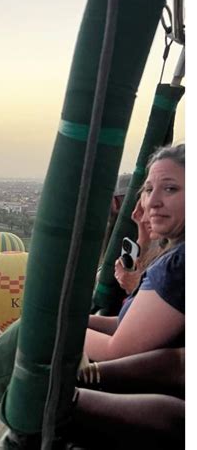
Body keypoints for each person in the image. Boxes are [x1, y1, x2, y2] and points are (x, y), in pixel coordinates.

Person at [85, 144, 184, 361]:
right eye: (149, 190)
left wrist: (52, 328)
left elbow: (118, 351)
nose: (154, 202)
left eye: (170, 189)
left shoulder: (178, 265)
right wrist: (74, 320)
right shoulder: (174, 256)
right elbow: (127, 323)